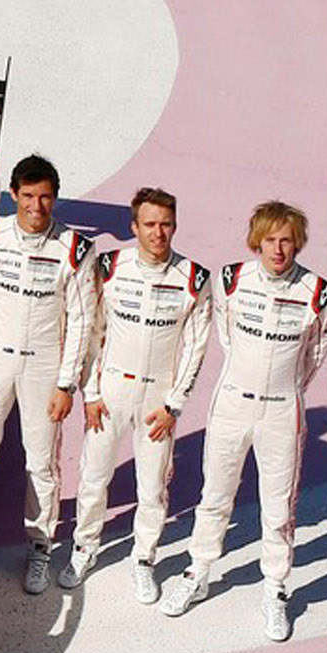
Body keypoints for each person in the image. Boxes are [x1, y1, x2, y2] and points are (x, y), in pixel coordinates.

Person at [162, 202, 327, 641]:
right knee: (214, 496)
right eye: (270, 240)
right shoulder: (230, 281)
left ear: (297, 243)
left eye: (287, 240)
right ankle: (198, 571)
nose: (278, 249)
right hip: (231, 404)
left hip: (283, 409)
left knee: (279, 508)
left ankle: (276, 588)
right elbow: (226, 337)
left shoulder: (321, 294)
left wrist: (284, 392)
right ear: (255, 241)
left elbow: (314, 357)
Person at [0, 153, 95, 594]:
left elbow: (83, 321)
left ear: (56, 198)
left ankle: (41, 544)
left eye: (45, 197)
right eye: (28, 196)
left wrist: (67, 383)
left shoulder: (75, 248)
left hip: (44, 365)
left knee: (41, 460)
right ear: (13, 195)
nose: (36, 206)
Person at [60, 187, 211, 599]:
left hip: (157, 402)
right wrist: (89, 393)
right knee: (93, 477)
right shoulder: (108, 266)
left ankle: (143, 559)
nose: (157, 232)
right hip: (111, 391)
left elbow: (196, 348)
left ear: (175, 226)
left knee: (152, 488)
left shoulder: (195, 279)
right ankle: (83, 548)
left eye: (165, 224)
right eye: (149, 224)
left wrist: (174, 405)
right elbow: (91, 333)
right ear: (134, 227)